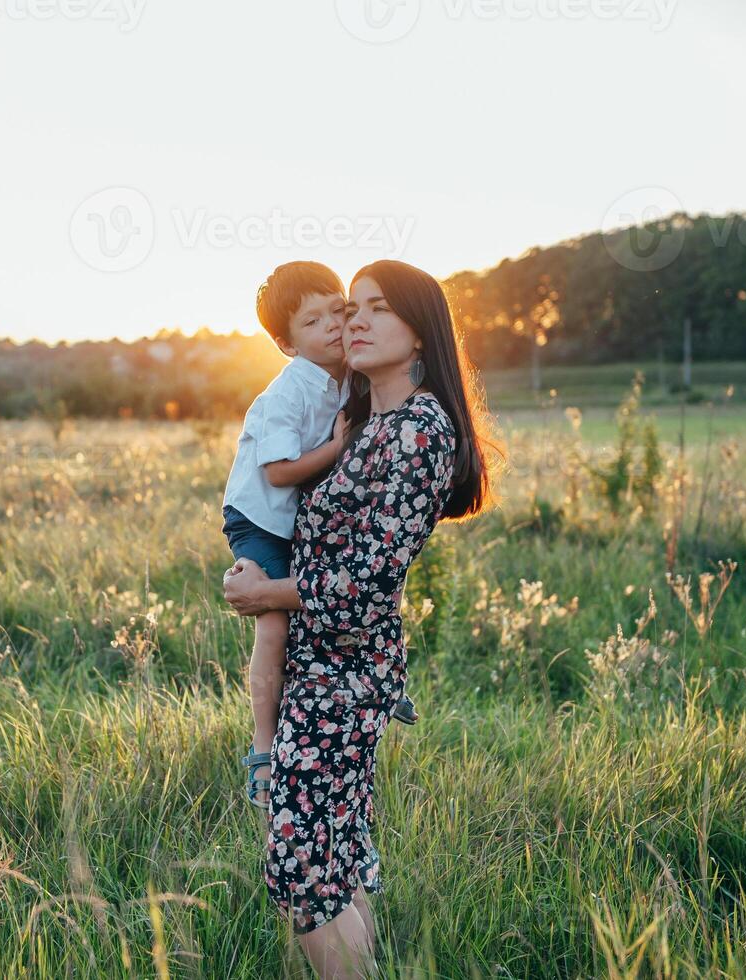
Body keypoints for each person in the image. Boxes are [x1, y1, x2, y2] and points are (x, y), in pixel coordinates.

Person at [224, 260, 498, 978]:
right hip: (319, 665)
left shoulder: (417, 430)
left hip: (344, 673)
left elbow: (365, 581)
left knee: (300, 862)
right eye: (353, 309)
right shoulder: (369, 420)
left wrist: (269, 595)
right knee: (332, 851)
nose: (356, 322)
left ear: (418, 334)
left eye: (377, 309)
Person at [221, 262, 418, 812]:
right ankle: (263, 748)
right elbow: (279, 472)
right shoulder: (288, 394)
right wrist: (340, 446)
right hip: (262, 518)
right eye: (314, 321)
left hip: (304, 516)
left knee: (369, 577)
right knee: (276, 618)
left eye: (339, 308)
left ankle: (381, 682)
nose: (335, 325)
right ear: (286, 344)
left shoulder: (353, 375)